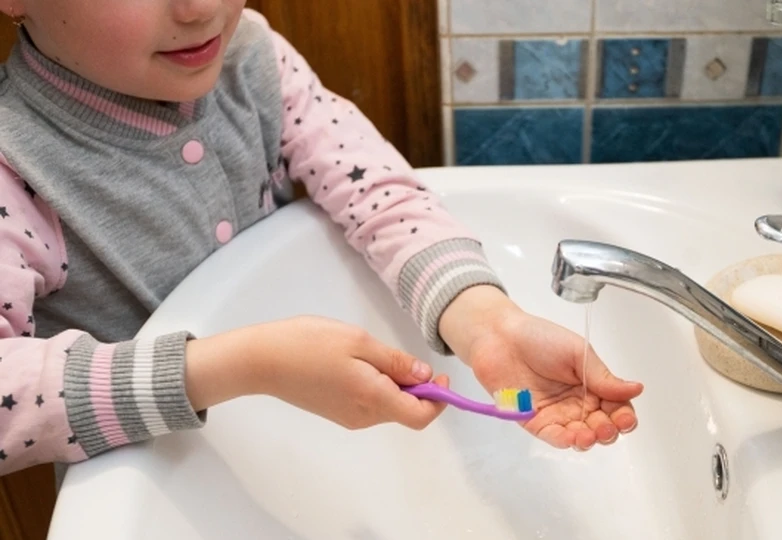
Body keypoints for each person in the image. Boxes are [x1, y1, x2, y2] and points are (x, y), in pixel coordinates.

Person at [0, 1, 644, 477]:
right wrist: (244, 366)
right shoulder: (16, 166)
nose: (201, 9)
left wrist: (485, 321)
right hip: (163, 501)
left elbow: (373, 189)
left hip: (298, 457)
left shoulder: (250, 55)